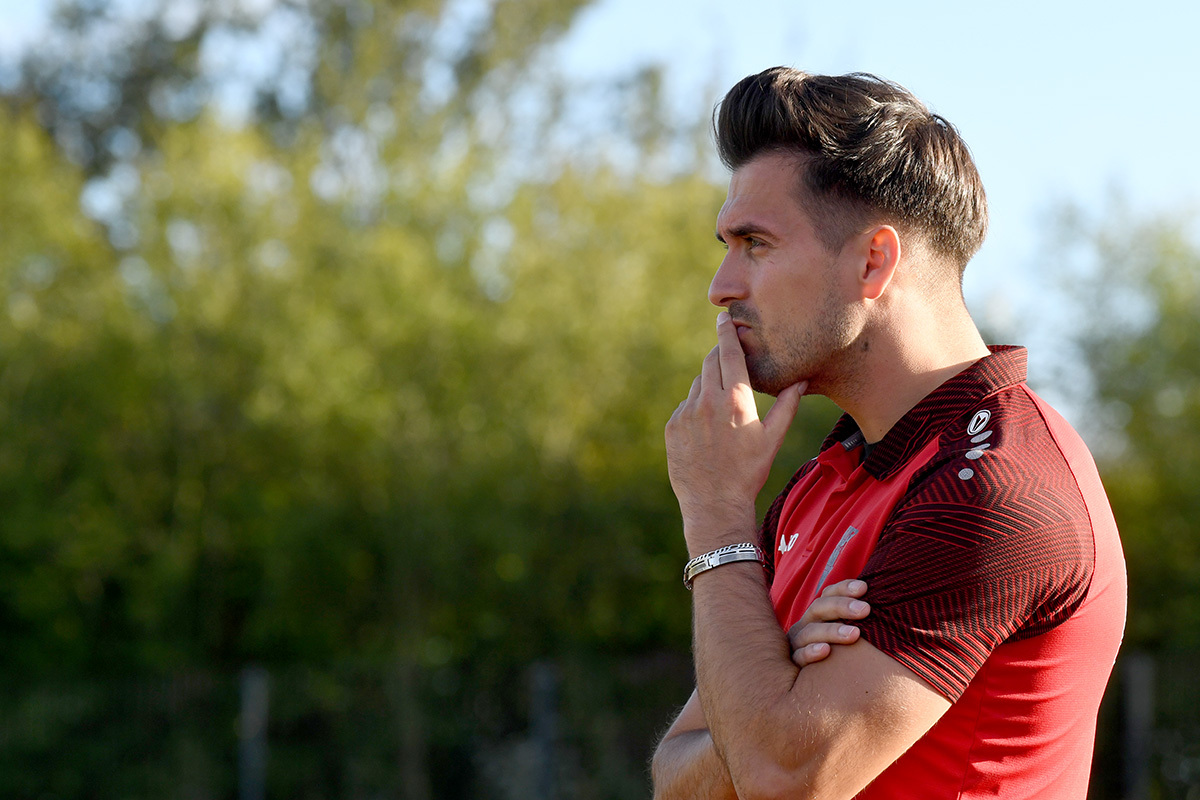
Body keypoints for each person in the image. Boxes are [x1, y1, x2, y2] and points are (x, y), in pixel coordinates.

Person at [652, 67, 1127, 800]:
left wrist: (715, 516)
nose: (721, 286)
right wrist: (774, 687)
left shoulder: (997, 489)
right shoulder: (827, 477)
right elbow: (673, 774)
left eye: (755, 243)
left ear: (874, 261)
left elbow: (781, 780)